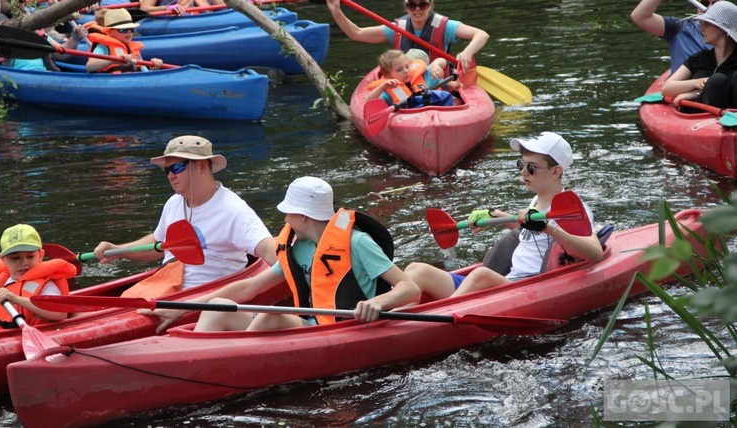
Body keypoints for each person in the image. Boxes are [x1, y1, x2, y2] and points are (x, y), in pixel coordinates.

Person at [143, 176, 421, 334]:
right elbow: (249, 286)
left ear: (303, 216)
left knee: (270, 317)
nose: (285, 219)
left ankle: (231, 364)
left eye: (288, 213)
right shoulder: (297, 247)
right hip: (309, 326)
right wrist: (184, 307)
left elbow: (410, 289)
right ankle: (197, 361)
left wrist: (379, 303)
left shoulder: (358, 243)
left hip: (344, 329)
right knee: (219, 305)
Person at [404, 132, 603, 300]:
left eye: (531, 167)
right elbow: (529, 233)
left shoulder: (573, 209)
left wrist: (547, 227)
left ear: (556, 171)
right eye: (521, 164)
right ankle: (390, 317)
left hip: (523, 288)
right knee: (416, 270)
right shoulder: (536, 201)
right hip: (508, 281)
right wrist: (494, 215)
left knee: (481, 274)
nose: (523, 172)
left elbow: (595, 253)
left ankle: (440, 315)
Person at [93, 135, 278, 297]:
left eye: (178, 167)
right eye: (167, 169)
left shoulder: (234, 211)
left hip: (204, 298)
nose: (170, 176)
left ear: (202, 166)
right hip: (164, 289)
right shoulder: (174, 203)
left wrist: (300, 275)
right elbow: (159, 244)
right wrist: (118, 250)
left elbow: (272, 252)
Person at [325, 0, 489, 71]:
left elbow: (481, 34)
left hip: (438, 82)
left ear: (430, 5)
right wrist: (336, 11)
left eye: (422, 4)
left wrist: (468, 52)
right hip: (406, 82)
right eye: (412, 5)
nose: (417, 9)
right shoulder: (396, 28)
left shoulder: (445, 26)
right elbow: (357, 34)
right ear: (405, 6)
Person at [630, 0, 731, 73]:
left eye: (716, 4)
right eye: (704, 3)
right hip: (683, 85)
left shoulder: (733, 34)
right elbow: (640, 17)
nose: (709, 8)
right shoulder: (680, 26)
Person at [0, 224, 77, 331]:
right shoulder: (0, 280)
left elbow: (59, 313)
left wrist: (16, 299)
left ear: (40, 255)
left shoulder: (46, 284)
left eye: (30, 257)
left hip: (25, 335)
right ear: (3, 259)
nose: (24, 263)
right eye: (15, 258)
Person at [661, 1, 737, 110]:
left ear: (722, 29)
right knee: (717, 80)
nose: (702, 28)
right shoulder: (699, 58)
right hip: (700, 118)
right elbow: (667, 89)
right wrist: (696, 83)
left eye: (708, 24)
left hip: (731, 115)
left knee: (718, 80)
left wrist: (695, 94)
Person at [366, 49, 454, 107]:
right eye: (399, 69)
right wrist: (382, 87)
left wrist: (435, 64)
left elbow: (443, 61)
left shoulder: (424, 76)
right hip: (412, 118)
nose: (405, 71)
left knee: (449, 97)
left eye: (407, 66)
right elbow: (368, 102)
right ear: (389, 76)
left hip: (436, 112)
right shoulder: (389, 89)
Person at [85, 8, 163, 72]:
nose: (129, 32)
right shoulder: (103, 47)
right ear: (110, 32)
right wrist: (114, 60)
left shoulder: (134, 50)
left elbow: (145, 73)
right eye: (123, 30)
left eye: (131, 29)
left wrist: (154, 69)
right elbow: (90, 66)